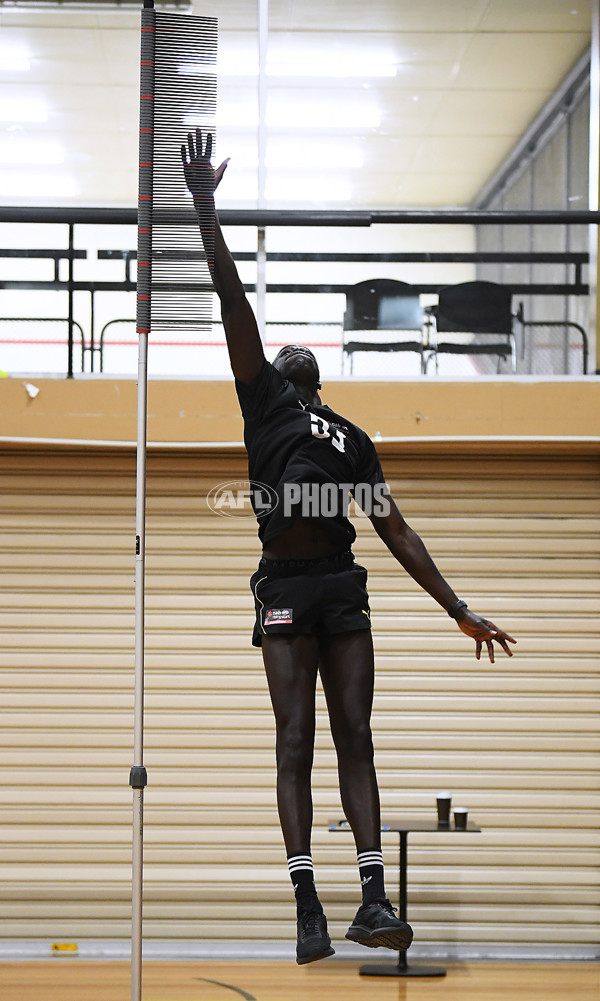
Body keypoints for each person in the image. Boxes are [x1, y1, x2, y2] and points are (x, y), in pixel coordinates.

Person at [181, 131, 517, 966]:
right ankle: (308, 907)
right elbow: (232, 301)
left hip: (338, 581)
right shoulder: (264, 400)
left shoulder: (351, 435)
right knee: (297, 738)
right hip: (289, 582)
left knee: (353, 736)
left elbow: (395, 526)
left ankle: (372, 899)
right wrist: (204, 209)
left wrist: (458, 607)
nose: (280, 347)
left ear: (312, 373)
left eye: (292, 349)